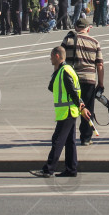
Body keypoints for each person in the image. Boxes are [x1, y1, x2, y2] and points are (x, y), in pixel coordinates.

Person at [30, 46, 91, 179]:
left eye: (51, 56)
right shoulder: (62, 70)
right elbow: (51, 87)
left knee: (57, 140)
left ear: (57, 56)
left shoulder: (65, 71)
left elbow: (73, 91)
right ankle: (71, 168)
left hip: (67, 111)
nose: (50, 58)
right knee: (70, 141)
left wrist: (82, 108)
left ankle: (48, 169)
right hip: (69, 111)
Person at [62, 17, 103, 146]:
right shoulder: (95, 42)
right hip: (89, 80)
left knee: (72, 108)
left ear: (76, 27)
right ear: (88, 28)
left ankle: (69, 137)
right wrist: (101, 84)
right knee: (88, 108)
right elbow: (100, 65)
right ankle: (86, 138)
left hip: (71, 80)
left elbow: (60, 59)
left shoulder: (67, 40)